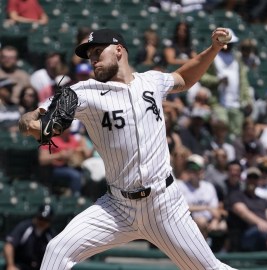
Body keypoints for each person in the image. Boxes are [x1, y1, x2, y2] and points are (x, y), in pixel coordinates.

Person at [18, 28, 237, 269]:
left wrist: (213, 49)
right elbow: (38, 116)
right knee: (57, 250)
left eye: (99, 51)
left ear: (119, 50)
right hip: (117, 208)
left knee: (209, 268)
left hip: (164, 205)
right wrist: (30, 120)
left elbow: (183, 78)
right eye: (90, 55)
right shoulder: (83, 93)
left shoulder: (151, 81)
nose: (93, 59)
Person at [226, 167, 267, 251]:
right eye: (250, 178)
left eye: (255, 178)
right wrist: (260, 223)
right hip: (245, 234)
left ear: (258, 181)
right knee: (261, 232)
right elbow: (242, 212)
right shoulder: (236, 195)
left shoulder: (263, 201)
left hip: (265, 232)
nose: (252, 181)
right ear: (246, 180)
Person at [3, 204, 55, 270]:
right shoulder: (25, 227)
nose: (42, 222)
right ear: (36, 216)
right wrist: (10, 265)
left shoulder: (50, 234)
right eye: (41, 218)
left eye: (46, 220)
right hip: (20, 266)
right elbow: (9, 246)